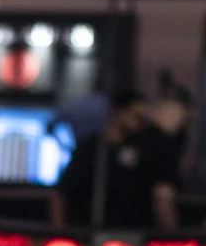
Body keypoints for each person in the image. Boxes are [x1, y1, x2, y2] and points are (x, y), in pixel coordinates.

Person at [51, 90, 179, 230]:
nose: (139, 123)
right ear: (120, 112)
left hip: (133, 233)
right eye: (136, 116)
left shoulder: (145, 148)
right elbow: (61, 193)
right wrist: (60, 232)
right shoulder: (93, 148)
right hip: (91, 230)